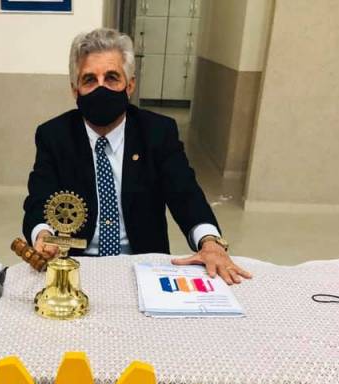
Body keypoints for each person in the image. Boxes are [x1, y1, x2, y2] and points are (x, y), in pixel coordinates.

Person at [22, 28, 251, 285]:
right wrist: (43, 235)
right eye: (89, 80)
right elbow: (39, 198)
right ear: (75, 90)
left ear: (129, 85)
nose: (101, 88)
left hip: (143, 263)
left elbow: (185, 194)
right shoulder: (54, 135)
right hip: (75, 264)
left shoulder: (157, 132)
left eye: (112, 78)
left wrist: (210, 242)